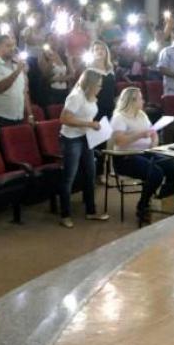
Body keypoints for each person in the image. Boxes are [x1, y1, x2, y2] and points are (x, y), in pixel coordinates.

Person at [110, 87, 174, 226]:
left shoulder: (142, 115)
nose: (143, 101)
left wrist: (154, 143)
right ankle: (143, 205)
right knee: (155, 174)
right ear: (132, 101)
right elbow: (119, 141)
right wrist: (140, 135)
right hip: (126, 157)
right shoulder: (119, 117)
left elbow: (153, 133)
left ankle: (163, 197)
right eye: (140, 98)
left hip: (146, 153)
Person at [58, 69, 107, 227]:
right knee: (69, 177)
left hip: (86, 136)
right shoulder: (76, 96)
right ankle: (65, 214)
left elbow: (88, 115)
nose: (100, 88)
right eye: (98, 85)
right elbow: (64, 119)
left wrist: (94, 125)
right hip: (71, 138)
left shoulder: (91, 96)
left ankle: (91, 211)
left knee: (90, 174)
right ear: (90, 84)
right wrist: (89, 124)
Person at [0, 35, 33, 129]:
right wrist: (17, 72)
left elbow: (23, 92)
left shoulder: (17, 65)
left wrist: (30, 115)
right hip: (1, 117)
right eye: (8, 46)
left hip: (18, 116)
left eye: (13, 45)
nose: (12, 48)